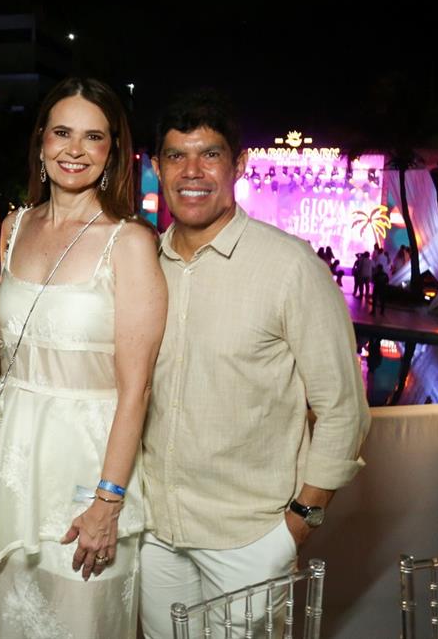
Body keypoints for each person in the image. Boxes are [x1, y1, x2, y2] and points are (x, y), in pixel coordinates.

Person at [139, 90, 370, 637]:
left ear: (238, 164)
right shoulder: (145, 263)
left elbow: (342, 409)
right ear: (157, 167)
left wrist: (299, 523)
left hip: (250, 540)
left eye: (210, 154)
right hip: (155, 533)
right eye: (176, 155)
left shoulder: (289, 266)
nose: (192, 171)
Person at [0, 77, 167, 638]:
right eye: (62, 133)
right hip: (7, 470)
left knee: (77, 621)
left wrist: (108, 501)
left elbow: (137, 390)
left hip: (86, 471)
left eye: (93, 137)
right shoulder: (13, 228)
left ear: (111, 152)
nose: (75, 149)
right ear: (41, 141)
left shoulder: (130, 242)